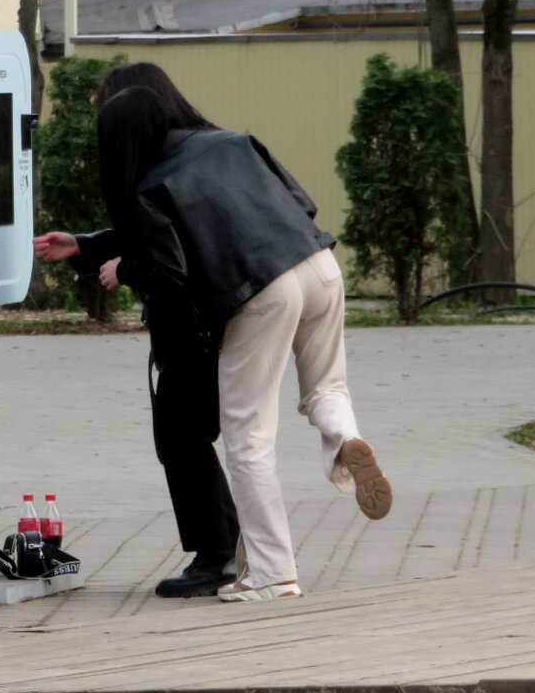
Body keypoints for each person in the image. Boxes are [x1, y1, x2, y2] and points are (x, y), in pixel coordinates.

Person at [94, 85, 392, 603]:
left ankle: (272, 574)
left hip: (261, 292)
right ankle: (345, 438)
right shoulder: (234, 142)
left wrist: (128, 270)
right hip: (319, 265)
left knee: (247, 436)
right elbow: (304, 203)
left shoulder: (150, 183)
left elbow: (168, 270)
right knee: (326, 386)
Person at [33, 63, 240, 598]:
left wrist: (125, 269)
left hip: (198, 322)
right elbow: (156, 230)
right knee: (191, 433)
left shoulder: (168, 163)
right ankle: (229, 547)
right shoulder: (203, 149)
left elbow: (168, 249)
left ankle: (218, 554)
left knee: (182, 434)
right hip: (224, 314)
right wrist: (87, 244)